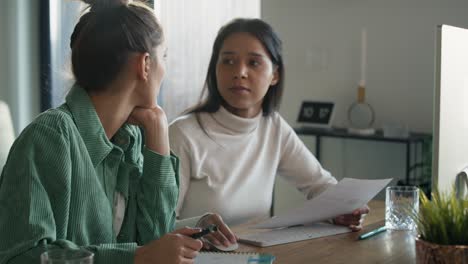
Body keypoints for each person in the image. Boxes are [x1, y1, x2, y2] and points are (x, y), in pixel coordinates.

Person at [0, 1, 212, 263]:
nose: (165, 69)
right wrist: (136, 257)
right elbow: (23, 256)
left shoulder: (133, 138)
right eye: (164, 57)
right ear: (145, 64)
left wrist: (158, 137)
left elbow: (154, 239)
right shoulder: (49, 137)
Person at [169, 18, 369, 246]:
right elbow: (157, 224)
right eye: (228, 61)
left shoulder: (273, 127)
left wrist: (342, 208)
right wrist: (200, 226)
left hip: (256, 256)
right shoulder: (182, 134)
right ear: (215, 70)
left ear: (275, 75)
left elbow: (318, 183)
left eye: (253, 63)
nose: (240, 72)